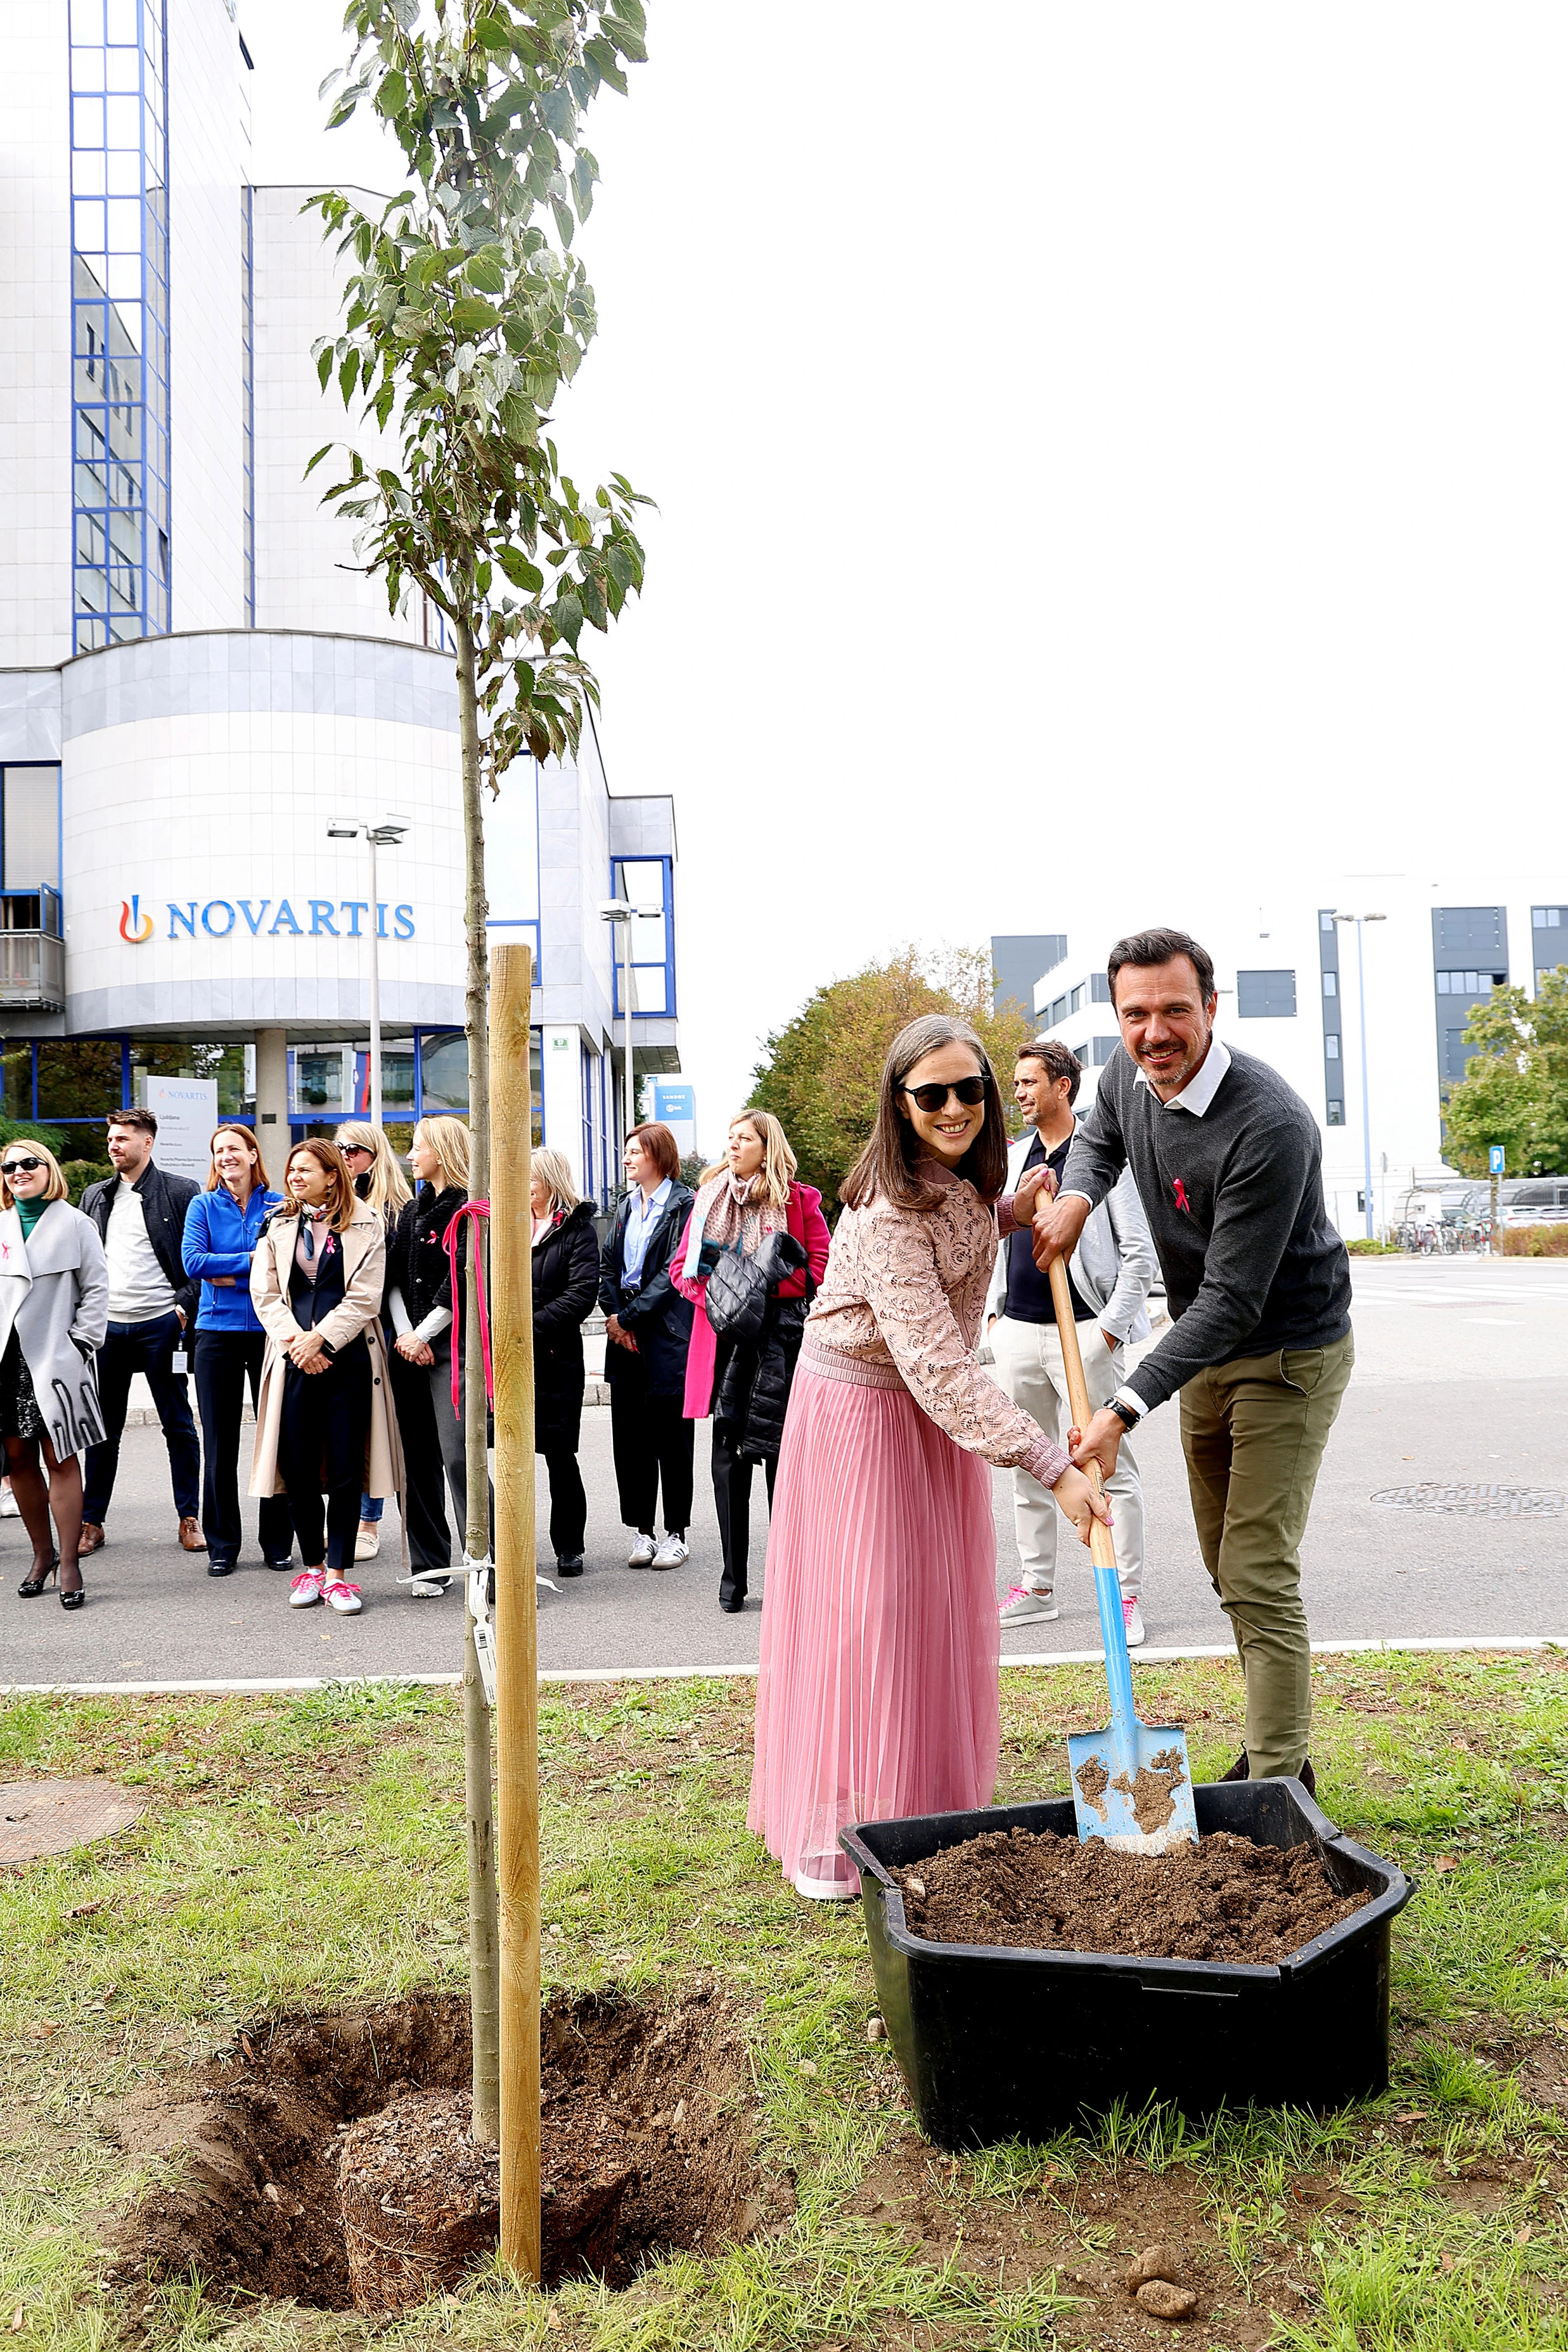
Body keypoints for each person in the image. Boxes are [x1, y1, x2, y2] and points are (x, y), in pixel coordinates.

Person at [749, 1015, 1109, 1901]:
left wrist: (1013, 1210)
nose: (952, 1106)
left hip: (928, 1420)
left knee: (924, 1608)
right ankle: (833, 1834)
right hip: (863, 1413)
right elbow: (939, 1364)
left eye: (969, 1089)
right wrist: (1050, 1464)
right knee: (862, 1613)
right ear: (898, 1103)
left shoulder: (955, 1185)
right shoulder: (879, 1212)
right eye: (931, 1093)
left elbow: (964, 1223)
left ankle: (918, 1809)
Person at [1031, 926, 1354, 1792]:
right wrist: (1073, 1196)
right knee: (1224, 1563)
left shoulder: (1268, 1121)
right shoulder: (1126, 1082)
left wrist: (1120, 1407)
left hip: (1287, 1351)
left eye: (1175, 1008)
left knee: (1254, 1569)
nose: (1154, 1030)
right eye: (1135, 1013)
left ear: (1210, 1006)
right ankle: (1283, 1750)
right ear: (1117, 1017)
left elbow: (1230, 1298)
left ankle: (1278, 1784)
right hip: (1203, 1352)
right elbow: (1099, 1137)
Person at [984, 1039, 1157, 1643]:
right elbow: (993, 1238)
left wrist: (1107, 1330)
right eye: (1017, 1083)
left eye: (1031, 1081)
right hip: (1019, 1331)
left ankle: (1126, 1595)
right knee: (1029, 1462)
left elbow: (1140, 1253)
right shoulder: (1013, 1158)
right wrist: (993, 1320)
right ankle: (1038, 1588)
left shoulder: (1103, 1153)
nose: (1021, 1093)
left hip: (1083, 1332)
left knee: (1107, 1465)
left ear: (1064, 1085)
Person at [672, 1110, 831, 1613]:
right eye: (731, 1137)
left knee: (783, 1467)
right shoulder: (707, 1200)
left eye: (745, 1138)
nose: (734, 1146)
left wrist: (758, 1290)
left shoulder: (800, 1199)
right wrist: (724, 1298)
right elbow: (682, 1270)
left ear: (768, 1146)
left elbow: (821, 1269)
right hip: (723, 1343)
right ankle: (733, 1577)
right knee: (728, 1464)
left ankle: (790, 1579)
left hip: (782, 1343)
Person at [248, 1139, 403, 1616]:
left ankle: (338, 1574)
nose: (294, 1176)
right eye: (291, 1169)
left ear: (332, 1174)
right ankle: (312, 1566)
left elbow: (365, 1296)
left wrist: (323, 1340)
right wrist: (299, 1342)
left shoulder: (368, 1221)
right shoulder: (276, 1223)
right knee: (295, 1468)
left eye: (305, 1169)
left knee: (343, 1468)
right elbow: (265, 1292)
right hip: (292, 1359)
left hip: (349, 1361)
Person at [79, 1109, 203, 1557]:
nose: (114, 1145)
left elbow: (198, 1260)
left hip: (161, 1325)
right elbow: (83, 1262)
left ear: (147, 1143)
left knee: (178, 1423)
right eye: (111, 1138)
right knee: (102, 1428)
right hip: (108, 1327)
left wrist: (181, 1311)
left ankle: (189, 1517)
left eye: (123, 1139)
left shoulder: (180, 1191)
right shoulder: (95, 1195)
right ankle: (92, 1521)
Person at [1, 1140, 108, 1610]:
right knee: (18, 1460)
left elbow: (99, 1289)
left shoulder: (76, 1223)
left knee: (61, 1457)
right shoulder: (1, 1224)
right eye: (9, 1166)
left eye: (29, 1163)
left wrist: (81, 1344)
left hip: (55, 1358)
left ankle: (69, 1562)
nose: (18, 1171)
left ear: (50, 1170)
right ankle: (40, 1556)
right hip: (6, 1360)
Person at [181, 1126, 292, 1578]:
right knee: (220, 1443)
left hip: (271, 1329)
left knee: (277, 1439)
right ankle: (223, 1545)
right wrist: (253, 1262)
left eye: (233, 1148)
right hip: (217, 1334)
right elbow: (193, 1261)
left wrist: (229, 1269)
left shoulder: (280, 1203)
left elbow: (287, 1262)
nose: (226, 1156)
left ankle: (278, 1544)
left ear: (252, 1153)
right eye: (218, 1150)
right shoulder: (202, 1205)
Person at [387, 1114, 484, 1582]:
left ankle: (484, 1559)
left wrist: (424, 1334)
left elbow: (462, 1280)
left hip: (452, 1347)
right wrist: (408, 1335)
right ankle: (431, 1565)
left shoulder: (469, 1209)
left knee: (459, 1454)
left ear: (442, 1151)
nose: (410, 1156)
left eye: (418, 1146)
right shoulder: (410, 1210)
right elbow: (393, 1279)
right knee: (416, 1460)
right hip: (409, 1347)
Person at [598, 1124, 695, 1569]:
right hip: (625, 1333)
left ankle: (676, 1531)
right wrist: (615, 1318)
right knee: (630, 1438)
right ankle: (642, 1531)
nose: (627, 1158)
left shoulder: (685, 1204)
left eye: (635, 1151)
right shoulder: (623, 1207)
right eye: (626, 1150)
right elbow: (607, 1266)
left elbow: (679, 1272)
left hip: (666, 1333)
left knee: (671, 1437)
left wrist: (631, 1318)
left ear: (658, 1155)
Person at [335, 1122, 413, 1562]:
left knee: (379, 1428)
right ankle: (348, 1522)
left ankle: (370, 1521)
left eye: (354, 1148)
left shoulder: (395, 1208)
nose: (344, 1155)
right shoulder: (330, 1201)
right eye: (339, 1147)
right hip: (337, 1327)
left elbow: (396, 1280)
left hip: (380, 1329)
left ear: (374, 1153)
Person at [529, 1147, 601, 1578]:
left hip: (556, 1358)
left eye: (530, 1179)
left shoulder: (579, 1230)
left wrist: (527, 1327)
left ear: (551, 1181)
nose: (522, 1187)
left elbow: (580, 1295)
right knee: (500, 1455)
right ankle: (506, 1543)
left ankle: (569, 1545)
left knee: (559, 1455)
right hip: (510, 1360)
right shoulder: (505, 1224)